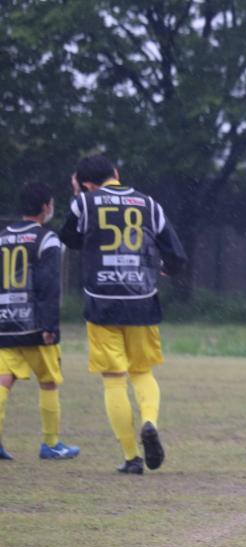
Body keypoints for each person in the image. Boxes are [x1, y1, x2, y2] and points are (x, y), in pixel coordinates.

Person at [59, 154, 186, 474]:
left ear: (86, 184)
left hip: (102, 302)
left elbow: (69, 239)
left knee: (114, 379)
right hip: (142, 299)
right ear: (116, 173)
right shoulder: (149, 204)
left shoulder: (84, 202)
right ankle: (149, 422)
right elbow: (176, 254)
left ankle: (131, 457)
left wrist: (79, 197)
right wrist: (168, 268)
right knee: (142, 372)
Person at [0, 182, 81, 461]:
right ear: (46, 207)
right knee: (48, 382)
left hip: (5, 322)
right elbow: (49, 286)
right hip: (35, 324)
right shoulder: (47, 239)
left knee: (3, 380)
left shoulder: (2, 237)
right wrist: (50, 326)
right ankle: (51, 444)